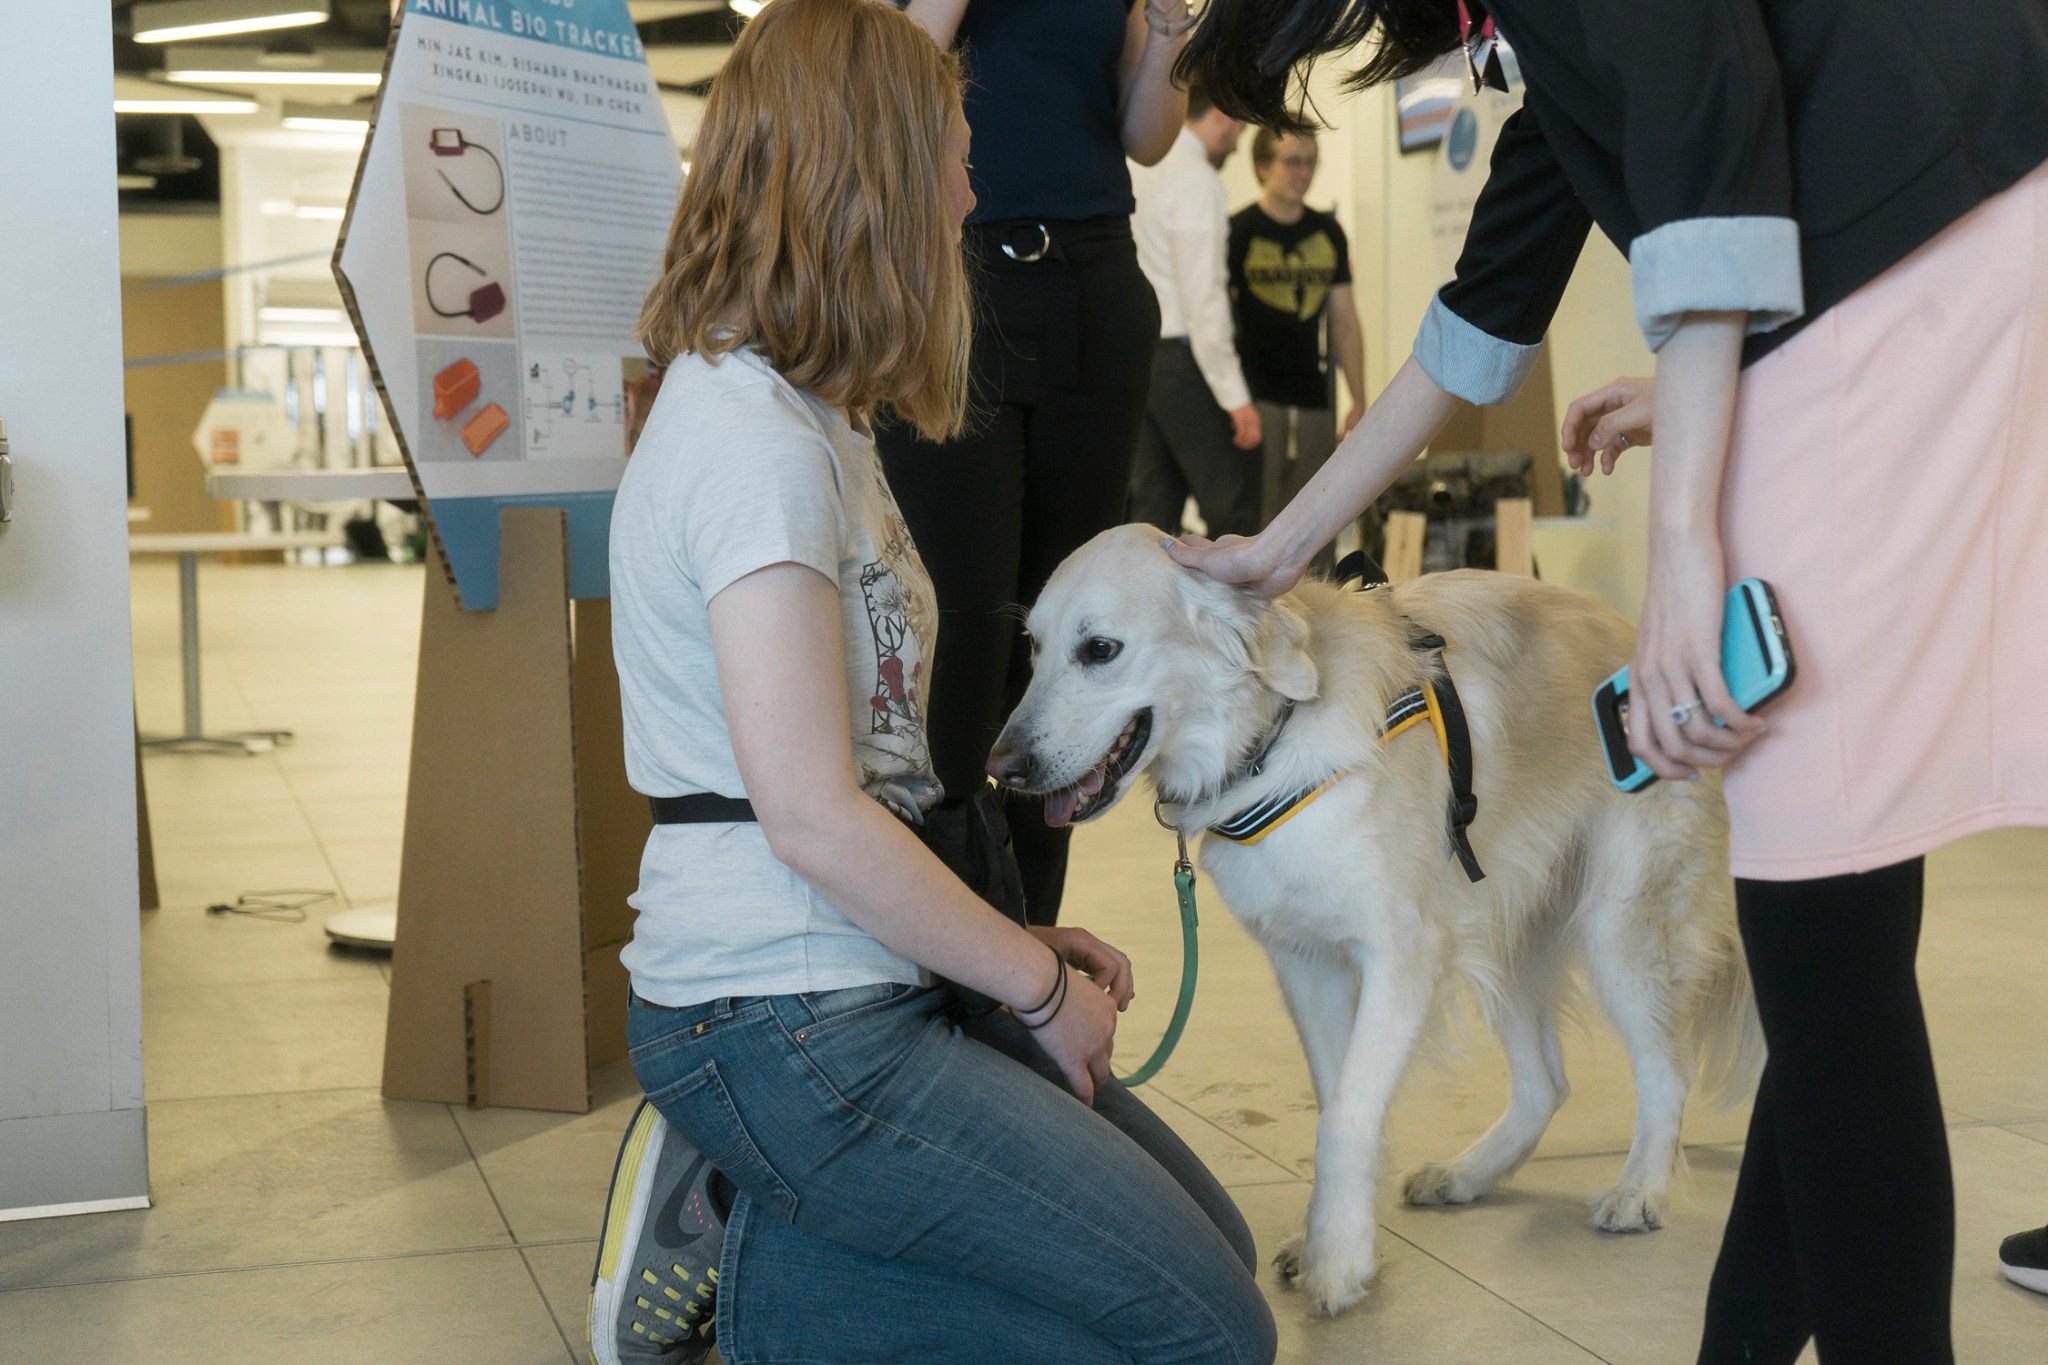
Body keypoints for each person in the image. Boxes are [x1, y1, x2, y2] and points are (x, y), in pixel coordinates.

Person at [1173, 2, 2048, 1361]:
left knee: (1828, 954)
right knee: (1836, 966)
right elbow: (1478, 326)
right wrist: (1277, 550)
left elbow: (1717, 138)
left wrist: (1688, 538)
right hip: (1926, 246)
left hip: (1931, 254)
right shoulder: (1542, 52)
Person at [608, 3, 1275, 1362]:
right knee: (1206, 1336)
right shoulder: (750, 444)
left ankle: (779, 1228)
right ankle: (749, 1279)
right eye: (957, 151)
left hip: (869, 978)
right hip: (782, 1016)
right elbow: (809, 817)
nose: (975, 186)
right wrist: (1027, 978)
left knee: (1220, 1259)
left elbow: (892, 769)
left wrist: (1004, 941)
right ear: (879, 175)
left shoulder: (821, 413)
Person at [1560, 374, 2048, 1312]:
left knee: (1832, 992)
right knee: (1831, 999)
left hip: (1877, 519)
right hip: (1866, 509)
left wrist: (1709, 440)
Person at [878, 0, 1194, 928]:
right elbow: (892, 82)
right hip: (956, 275)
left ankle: (1030, 947)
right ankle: (948, 950)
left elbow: (1147, 135)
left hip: (1094, 282)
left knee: (1059, 636)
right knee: (965, 630)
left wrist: (1172, 31)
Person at [1127, 90, 1265, 544]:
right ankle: (1241, 619)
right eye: (1241, 129)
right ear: (1223, 117)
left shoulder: (1139, 167)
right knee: (1234, 512)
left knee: (1153, 513)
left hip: (1141, 357)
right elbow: (1203, 297)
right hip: (1184, 363)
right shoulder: (1197, 180)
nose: (1239, 143)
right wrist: (1235, 397)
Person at [1228, 127, 1365, 572]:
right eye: (1292, 161)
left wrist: (1359, 399)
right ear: (1263, 166)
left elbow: (1344, 320)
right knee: (1258, 520)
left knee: (1316, 522)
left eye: (1310, 161)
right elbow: (1219, 320)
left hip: (1312, 398)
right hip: (1254, 399)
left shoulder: (1328, 233)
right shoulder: (1238, 231)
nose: (1303, 173)